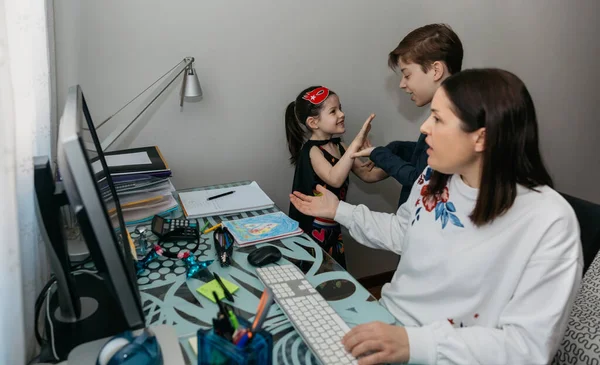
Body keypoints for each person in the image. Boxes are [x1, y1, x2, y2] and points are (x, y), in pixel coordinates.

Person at [289, 69, 582, 364]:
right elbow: (402, 232)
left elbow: (526, 348)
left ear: (481, 137)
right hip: (388, 323)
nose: (425, 128)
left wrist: (412, 344)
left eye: (438, 119)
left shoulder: (549, 222)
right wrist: (338, 210)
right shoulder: (433, 177)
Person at [356, 24, 464, 207]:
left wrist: (378, 154)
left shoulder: (455, 120)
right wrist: (397, 149)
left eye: (407, 75)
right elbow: (425, 155)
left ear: (436, 71)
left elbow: (418, 180)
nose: (402, 84)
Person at [285, 85, 385, 269]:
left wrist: (393, 164)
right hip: (311, 229)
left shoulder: (341, 147)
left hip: (333, 223)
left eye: (340, 108)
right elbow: (335, 178)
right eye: (333, 111)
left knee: (334, 275)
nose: (341, 114)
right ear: (313, 123)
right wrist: (356, 143)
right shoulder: (312, 151)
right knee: (314, 274)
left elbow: (367, 174)